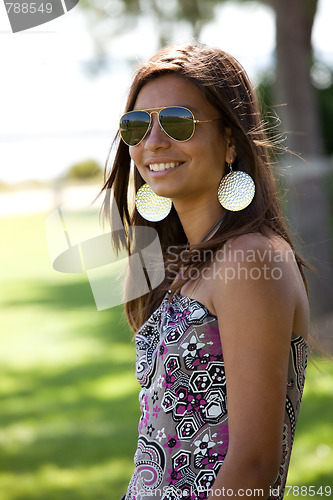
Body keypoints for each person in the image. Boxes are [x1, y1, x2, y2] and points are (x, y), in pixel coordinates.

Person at [102, 42, 309, 500]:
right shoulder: (192, 263)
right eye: (137, 126)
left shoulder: (250, 260)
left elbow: (254, 466)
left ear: (230, 140)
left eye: (178, 122)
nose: (153, 142)